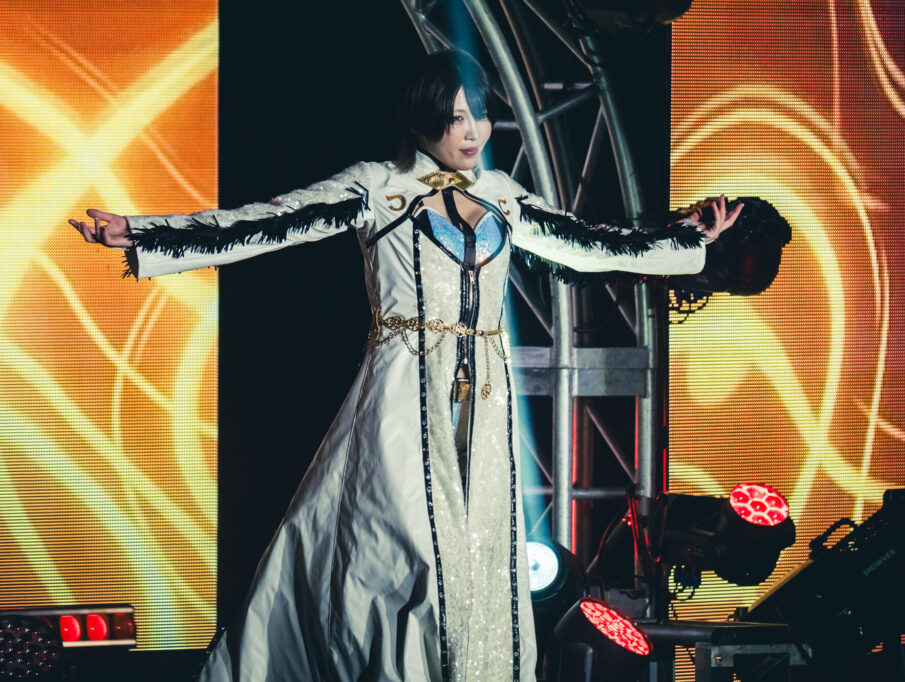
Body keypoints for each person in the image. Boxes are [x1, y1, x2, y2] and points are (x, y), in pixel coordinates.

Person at [69, 50, 742, 682]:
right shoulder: (378, 188)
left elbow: (591, 244)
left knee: (477, 558)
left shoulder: (502, 194)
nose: (472, 131)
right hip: (402, 386)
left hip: (484, 400)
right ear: (422, 119)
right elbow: (267, 223)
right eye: (455, 117)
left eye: (480, 115)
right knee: (404, 551)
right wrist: (143, 234)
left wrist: (688, 240)